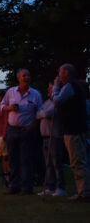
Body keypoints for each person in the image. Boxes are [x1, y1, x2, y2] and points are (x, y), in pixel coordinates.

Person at [1, 68, 42, 195]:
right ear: (18, 78)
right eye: (24, 75)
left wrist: (32, 127)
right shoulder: (11, 92)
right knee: (13, 159)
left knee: (26, 159)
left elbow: (39, 113)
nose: (26, 77)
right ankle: (14, 186)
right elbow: (2, 106)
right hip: (12, 130)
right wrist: (10, 108)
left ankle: (27, 187)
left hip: (27, 131)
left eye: (28, 75)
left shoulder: (35, 94)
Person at [52, 63, 89, 201]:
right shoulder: (74, 86)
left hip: (73, 129)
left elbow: (57, 101)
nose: (58, 75)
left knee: (77, 161)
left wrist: (55, 87)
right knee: (79, 160)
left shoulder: (70, 86)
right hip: (75, 128)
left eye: (60, 72)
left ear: (66, 73)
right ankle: (83, 191)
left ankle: (84, 192)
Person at [36, 84, 67, 196]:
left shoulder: (57, 102)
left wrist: (43, 113)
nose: (48, 89)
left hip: (54, 135)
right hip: (45, 136)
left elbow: (48, 113)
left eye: (50, 88)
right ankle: (50, 186)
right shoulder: (46, 102)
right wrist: (42, 114)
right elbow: (38, 114)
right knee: (48, 163)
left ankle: (60, 187)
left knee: (56, 162)